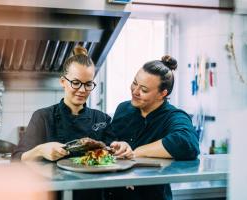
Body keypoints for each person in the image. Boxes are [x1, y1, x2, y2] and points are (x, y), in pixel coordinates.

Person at [12, 46, 132, 199]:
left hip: (94, 195)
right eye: (76, 83)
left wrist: (123, 148)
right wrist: (40, 150)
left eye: (88, 84)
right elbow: (16, 159)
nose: (82, 90)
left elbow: (116, 156)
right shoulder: (43, 117)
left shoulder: (102, 119)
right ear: (63, 81)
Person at [106, 55, 200, 200]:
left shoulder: (173, 116)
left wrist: (136, 153)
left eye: (144, 89)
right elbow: (110, 145)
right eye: (134, 83)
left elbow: (186, 142)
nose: (135, 91)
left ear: (163, 94)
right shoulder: (123, 108)